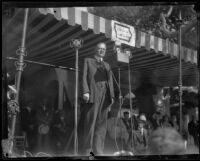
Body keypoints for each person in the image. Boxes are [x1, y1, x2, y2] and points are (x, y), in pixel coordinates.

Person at [82, 42, 115, 155]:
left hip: (105, 95)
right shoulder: (88, 61)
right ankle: (88, 152)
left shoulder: (107, 65)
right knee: (90, 123)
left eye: (104, 49)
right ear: (95, 49)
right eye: (100, 49)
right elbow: (84, 76)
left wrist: (112, 97)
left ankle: (99, 151)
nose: (102, 51)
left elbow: (110, 81)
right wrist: (86, 91)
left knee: (102, 126)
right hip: (93, 93)